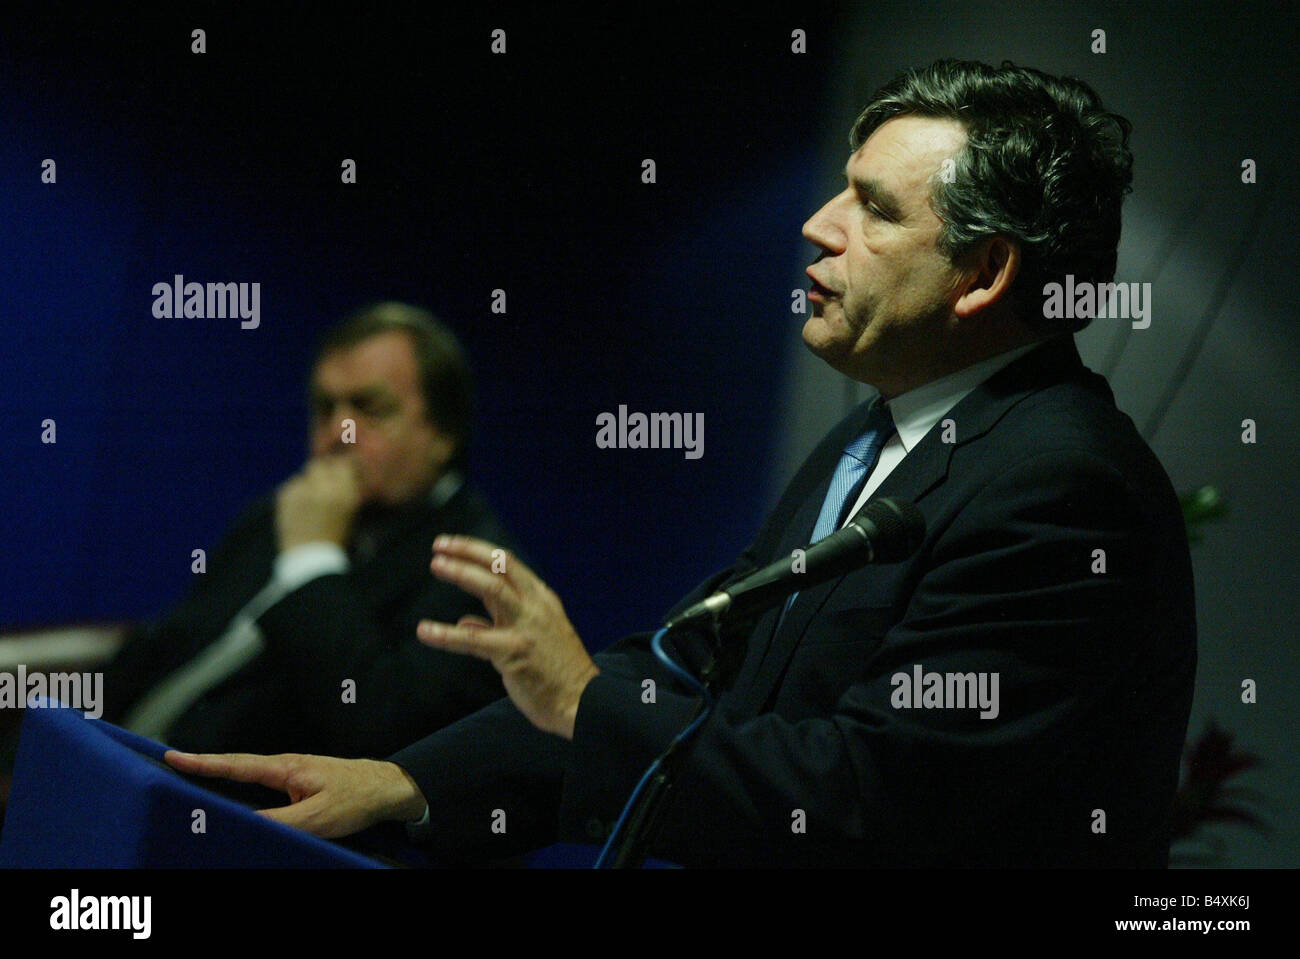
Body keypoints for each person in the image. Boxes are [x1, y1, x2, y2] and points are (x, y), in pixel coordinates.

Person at [168, 60, 1197, 867]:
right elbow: (688, 662)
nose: (817, 226)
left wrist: (582, 700)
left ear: (983, 272)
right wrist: (407, 779)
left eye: (873, 207)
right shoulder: (874, 437)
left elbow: (871, 793)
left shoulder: (1066, 488)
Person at [103, 302, 522, 759]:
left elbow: (387, 735)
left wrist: (313, 563)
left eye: (370, 409)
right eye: (325, 409)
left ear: (443, 433)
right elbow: (170, 642)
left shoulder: (479, 573)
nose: (338, 433)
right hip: (124, 759)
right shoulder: (276, 515)